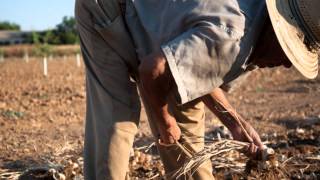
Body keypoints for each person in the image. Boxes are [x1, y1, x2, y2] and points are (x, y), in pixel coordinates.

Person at [75, 0, 319, 179]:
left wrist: (235, 123)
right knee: (117, 115)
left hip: (153, 24)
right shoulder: (233, 37)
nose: (287, 63)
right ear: (277, 33)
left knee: (185, 103)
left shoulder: (251, 19)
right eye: (288, 52)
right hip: (107, 9)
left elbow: (197, 71)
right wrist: (164, 122)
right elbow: (153, 71)